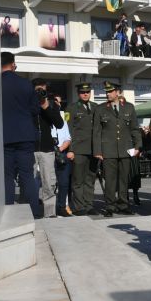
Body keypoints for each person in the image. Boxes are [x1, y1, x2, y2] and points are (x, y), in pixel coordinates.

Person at [93, 81, 142, 217]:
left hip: (125, 149)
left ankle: (123, 205)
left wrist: (138, 146)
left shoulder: (129, 107)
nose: (107, 94)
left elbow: (135, 129)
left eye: (110, 91)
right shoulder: (100, 108)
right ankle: (110, 206)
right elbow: (96, 131)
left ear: (118, 92)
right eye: (107, 91)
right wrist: (97, 150)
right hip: (108, 150)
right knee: (110, 180)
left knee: (123, 180)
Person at [0, 52, 40, 218]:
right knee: (27, 176)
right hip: (25, 135)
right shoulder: (26, 84)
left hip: (5, 136)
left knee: (7, 177)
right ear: (13, 64)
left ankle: (7, 210)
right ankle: (34, 212)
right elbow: (35, 109)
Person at [32, 78, 64, 218]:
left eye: (42, 90)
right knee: (29, 182)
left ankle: (50, 213)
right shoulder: (27, 103)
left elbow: (59, 124)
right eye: (37, 90)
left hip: (47, 148)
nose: (40, 93)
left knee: (49, 183)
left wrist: (46, 106)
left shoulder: (50, 104)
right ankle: (29, 211)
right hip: (30, 147)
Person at [67, 83, 100, 216]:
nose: (85, 94)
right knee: (78, 180)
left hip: (93, 149)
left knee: (90, 179)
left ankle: (89, 205)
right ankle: (79, 207)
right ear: (78, 93)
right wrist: (70, 149)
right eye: (82, 92)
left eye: (87, 92)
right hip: (78, 149)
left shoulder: (96, 107)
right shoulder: (71, 108)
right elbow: (68, 129)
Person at [52, 94, 73, 217]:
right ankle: (48, 208)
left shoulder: (63, 117)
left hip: (61, 152)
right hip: (48, 153)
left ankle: (61, 207)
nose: (56, 104)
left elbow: (68, 137)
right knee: (46, 183)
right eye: (54, 101)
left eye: (58, 102)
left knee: (64, 182)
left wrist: (60, 149)